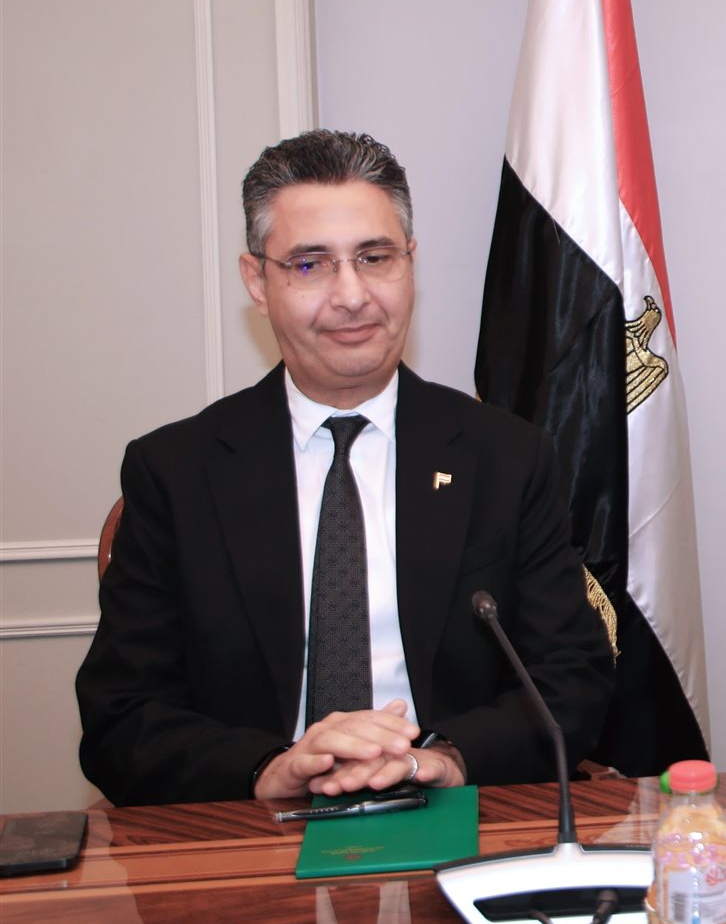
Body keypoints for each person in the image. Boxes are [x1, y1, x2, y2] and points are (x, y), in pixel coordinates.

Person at [77, 130, 614, 806]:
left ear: (410, 263)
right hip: (255, 827)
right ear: (257, 282)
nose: (352, 295)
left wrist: (447, 759)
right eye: (311, 264)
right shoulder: (176, 472)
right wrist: (268, 768)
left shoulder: (508, 457)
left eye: (374, 257)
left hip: (449, 811)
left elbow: (572, 678)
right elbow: (121, 715)